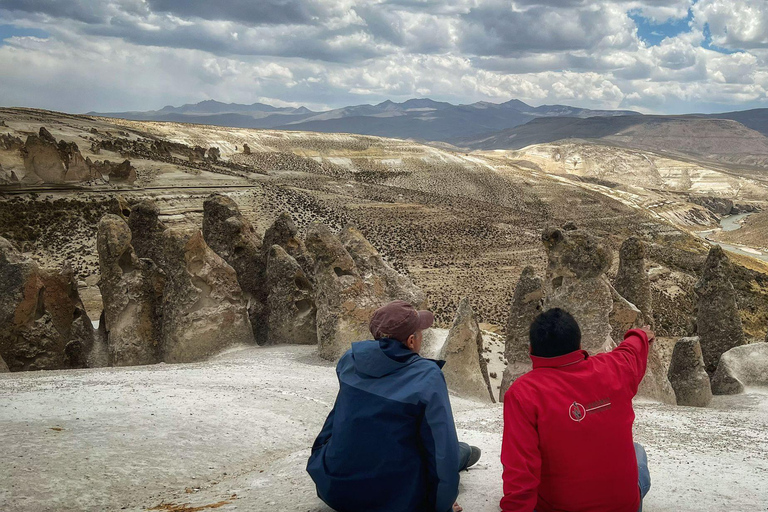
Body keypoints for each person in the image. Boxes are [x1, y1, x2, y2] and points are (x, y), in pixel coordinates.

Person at [307, 300, 481, 512]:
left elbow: (336, 420)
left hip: (334, 489)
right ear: (411, 341)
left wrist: (320, 460)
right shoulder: (426, 376)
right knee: (457, 452)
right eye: (420, 332)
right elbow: (441, 448)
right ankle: (465, 453)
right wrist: (442, 505)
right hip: (394, 500)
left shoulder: (349, 360)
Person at [500, 308, 652, 512]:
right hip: (626, 507)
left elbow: (520, 471)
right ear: (579, 345)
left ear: (530, 350)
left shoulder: (524, 393)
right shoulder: (615, 368)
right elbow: (630, 351)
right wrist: (640, 334)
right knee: (638, 451)